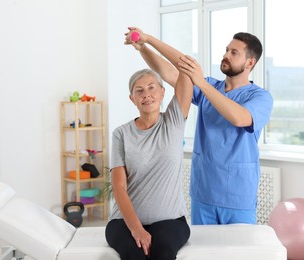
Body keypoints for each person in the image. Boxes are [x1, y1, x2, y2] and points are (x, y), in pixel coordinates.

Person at [124, 27, 273, 225]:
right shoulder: (210, 88)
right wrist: (144, 46)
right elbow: (171, 72)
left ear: (250, 62)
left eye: (234, 52)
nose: (226, 55)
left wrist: (202, 83)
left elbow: (240, 118)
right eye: (227, 50)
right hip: (204, 192)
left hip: (238, 196)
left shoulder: (260, 97)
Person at [105, 62, 193, 258]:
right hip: (123, 222)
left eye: (152, 88)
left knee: (162, 254)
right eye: (139, 90)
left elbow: (186, 75)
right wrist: (136, 229)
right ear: (132, 99)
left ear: (163, 93)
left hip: (170, 220)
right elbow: (119, 187)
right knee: (133, 255)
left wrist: (146, 43)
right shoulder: (121, 134)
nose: (146, 94)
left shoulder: (174, 121)